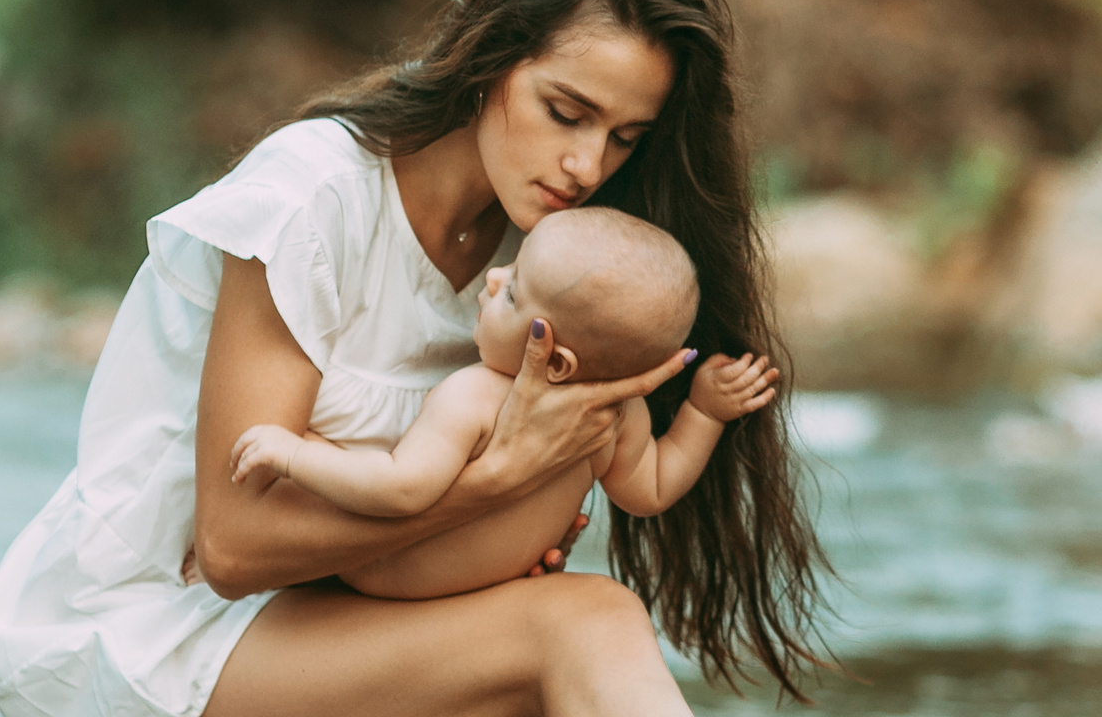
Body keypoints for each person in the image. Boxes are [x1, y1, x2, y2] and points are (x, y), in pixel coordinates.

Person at [0, 0, 1006, 717]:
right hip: (154, 678)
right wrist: (485, 488)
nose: (586, 165)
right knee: (586, 626)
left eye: (624, 137)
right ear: (487, 56)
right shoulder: (314, 198)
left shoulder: (549, 268)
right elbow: (229, 547)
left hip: (303, 660)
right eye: (566, 112)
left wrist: (491, 546)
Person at [226, 205, 782, 601]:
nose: (494, 278)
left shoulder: (474, 395)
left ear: (555, 361)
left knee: (335, 446)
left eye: (513, 293)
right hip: (486, 595)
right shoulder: (616, 419)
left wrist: (296, 453)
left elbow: (402, 488)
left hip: (387, 577)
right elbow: (651, 489)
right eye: (512, 268)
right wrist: (703, 414)